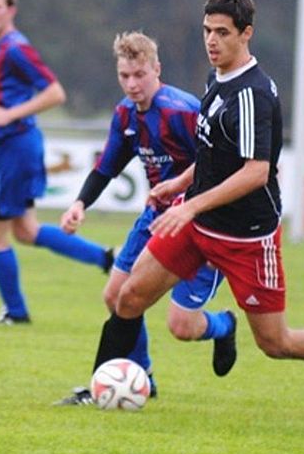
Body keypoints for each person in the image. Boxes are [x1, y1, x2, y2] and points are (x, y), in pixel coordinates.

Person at [86, 0, 304, 420]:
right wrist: (179, 184)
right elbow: (212, 156)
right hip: (197, 225)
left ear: (246, 34)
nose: (211, 41)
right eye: (207, 31)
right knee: (128, 298)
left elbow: (256, 172)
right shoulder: (217, 79)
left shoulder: (251, 94)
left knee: (277, 343)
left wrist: (190, 206)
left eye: (222, 32)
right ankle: (99, 388)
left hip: (246, 239)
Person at [56, 31, 239, 405]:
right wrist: (80, 204)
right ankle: (139, 377)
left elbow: (218, 163)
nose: (132, 84)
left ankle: (224, 326)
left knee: (182, 326)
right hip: (156, 216)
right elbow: (107, 167)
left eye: (140, 74)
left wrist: (184, 193)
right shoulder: (125, 113)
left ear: (157, 69)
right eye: (125, 76)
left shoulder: (182, 111)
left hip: (200, 221)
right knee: (116, 295)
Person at [0, 0, 113, 325]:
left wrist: (8, 115)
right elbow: (3, 97)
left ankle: (16, 311)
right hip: (11, 146)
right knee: (25, 231)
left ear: (11, 11)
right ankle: (106, 259)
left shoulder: (15, 48)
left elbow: (55, 93)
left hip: (14, 147)